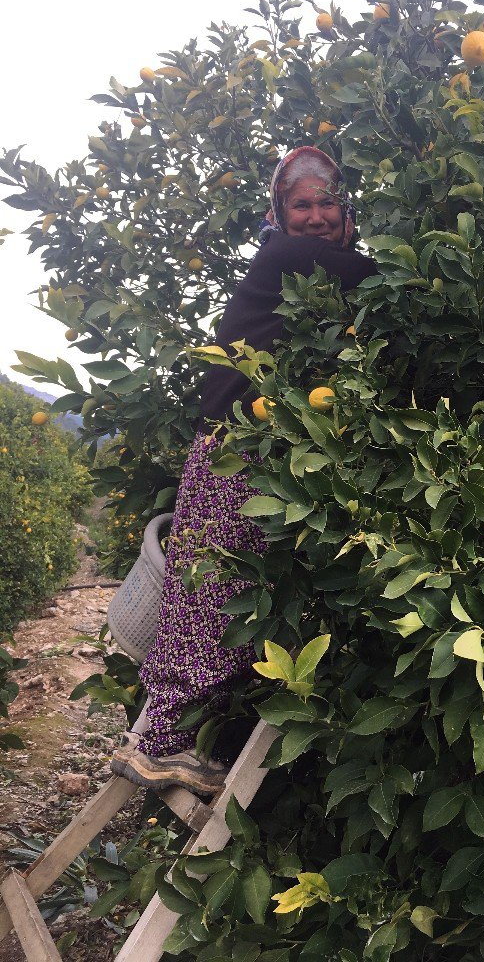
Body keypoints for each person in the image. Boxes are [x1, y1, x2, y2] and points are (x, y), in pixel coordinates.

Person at [111, 147, 378, 796]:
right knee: (214, 596)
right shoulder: (286, 257)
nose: (316, 216)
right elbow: (376, 277)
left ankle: (160, 738)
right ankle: (158, 744)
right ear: (279, 215)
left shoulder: (305, 274)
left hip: (256, 446)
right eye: (302, 205)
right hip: (238, 448)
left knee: (213, 591)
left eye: (327, 203)